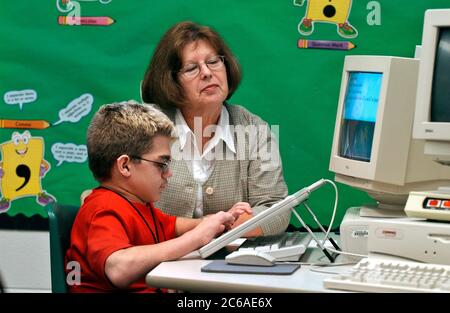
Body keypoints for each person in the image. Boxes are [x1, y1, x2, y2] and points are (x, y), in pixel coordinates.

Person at [65, 101, 251, 292]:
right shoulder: (103, 208)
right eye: (161, 164)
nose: (168, 173)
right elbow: (118, 268)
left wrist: (216, 221)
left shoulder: (138, 206)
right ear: (125, 166)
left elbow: (172, 225)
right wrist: (196, 237)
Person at [141, 21, 289, 236]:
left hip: (230, 263)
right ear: (171, 81)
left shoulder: (255, 130)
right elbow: (121, 205)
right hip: (156, 259)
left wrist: (222, 227)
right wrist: (207, 225)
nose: (207, 73)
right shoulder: (145, 126)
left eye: (213, 62)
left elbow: (276, 211)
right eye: (192, 68)